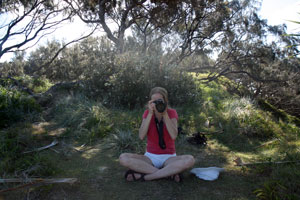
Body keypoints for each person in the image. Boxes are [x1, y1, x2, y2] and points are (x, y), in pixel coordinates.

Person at [119, 87, 195, 182]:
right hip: (150, 157)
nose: (157, 104)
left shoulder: (171, 113)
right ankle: (168, 173)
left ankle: (146, 177)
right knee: (123, 158)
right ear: (150, 102)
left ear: (165, 101)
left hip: (169, 157)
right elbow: (141, 136)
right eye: (154, 101)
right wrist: (150, 113)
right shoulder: (147, 113)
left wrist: (165, 114)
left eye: (160, 101)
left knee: (190, 159)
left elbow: (174, 136)